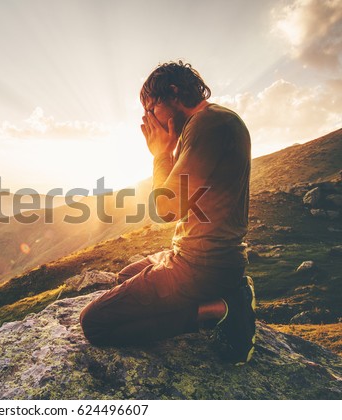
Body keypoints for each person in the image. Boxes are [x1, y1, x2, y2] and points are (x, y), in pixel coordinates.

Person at [79, 61, 256, 365]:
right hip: (203, 258)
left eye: (150, 108)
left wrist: (161, 154)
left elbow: (167, 208)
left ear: (173, 93)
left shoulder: (207, 125)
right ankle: (229, 291)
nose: (148, 118)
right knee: (125, 276)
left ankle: (222, 309)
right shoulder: (211, 122)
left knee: (95, 323)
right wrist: (170, 151)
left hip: (202, 266)